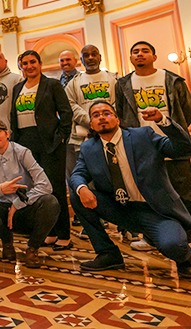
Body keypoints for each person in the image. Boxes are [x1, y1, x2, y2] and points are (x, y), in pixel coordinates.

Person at [69, 101, 191, 278]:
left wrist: (162, 120)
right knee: (77, 195)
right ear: (91, 124)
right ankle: (108, 254)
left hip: (155, 211)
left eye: (106, 113)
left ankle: (184, 259)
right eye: (95, 115)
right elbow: (78, 174)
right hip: (120, 209)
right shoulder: (88, 147)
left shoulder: (143, 136)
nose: (101, 117)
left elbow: (186, 148)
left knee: (173, 246)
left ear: (116, 119)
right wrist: (82, 187)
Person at [114, 41, 191, 259]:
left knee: (183, 191)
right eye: (135, 52)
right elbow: (121, 112)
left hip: (172, 142)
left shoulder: (172, 80)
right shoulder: (123, 84)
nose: (140, 55)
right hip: (142, 146)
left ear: (154, 57)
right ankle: (151, 236)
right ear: (131, 58)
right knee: (148, 194)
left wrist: (175, 131)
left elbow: (188, 109)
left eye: (145, 51)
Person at [0, 118, 59, 267]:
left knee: (50, 202)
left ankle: (33, 248)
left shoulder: (22, 152)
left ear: (7, 134)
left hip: (26, 208)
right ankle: (6, 241)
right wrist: (1, 189)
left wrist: (17, 204)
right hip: (1, 209)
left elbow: (45, 185)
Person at [11, 50, 73, 250]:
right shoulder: (18, 88)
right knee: (35, 189)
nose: (29, 66)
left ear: (39, 64)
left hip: (49, 143)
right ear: (21, 66)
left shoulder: (52, 85)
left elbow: (66, 113)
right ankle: (50, 232)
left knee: (54, 189)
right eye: (25, 63)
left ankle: (64, 234)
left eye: (32, 62)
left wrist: (61, 137)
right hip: (25, 143)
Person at [65, 44, 120, 237]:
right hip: (84, 137)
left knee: (114, 178)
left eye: (93, 54)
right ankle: (96, 222)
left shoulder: (112, 79)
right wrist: (90, 121)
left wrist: (104, 118)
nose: (90, 58)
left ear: (100, 57)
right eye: (85, 55)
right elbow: (70, 103)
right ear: (81, 59)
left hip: (111, 136)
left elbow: (117, 102)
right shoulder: (74, 82)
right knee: (88, 181)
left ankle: (124, 224)